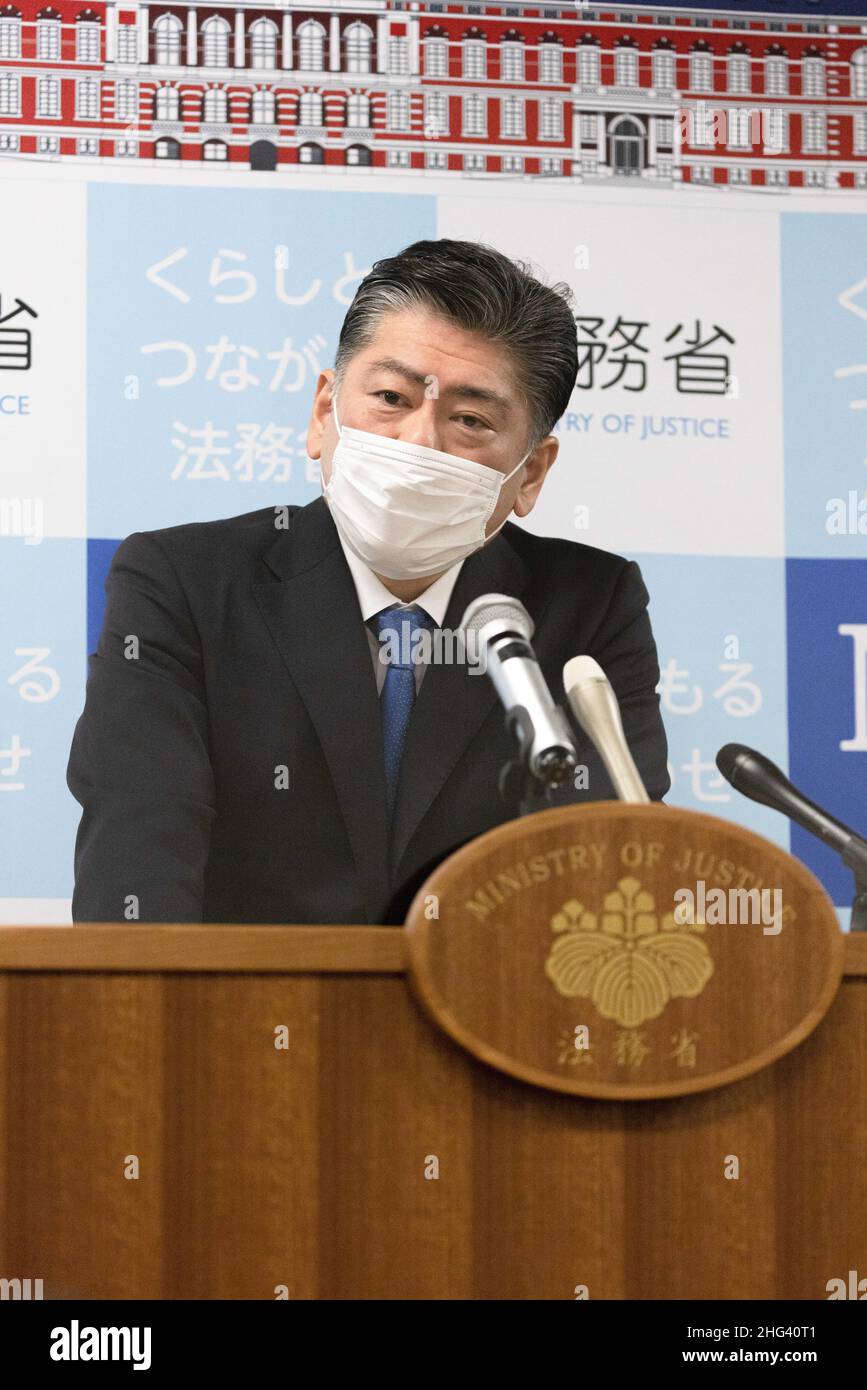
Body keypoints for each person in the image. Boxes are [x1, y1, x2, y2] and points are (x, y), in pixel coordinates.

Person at [66, 238, 669, 925]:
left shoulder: (590, 603)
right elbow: (140, 843)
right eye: (390, 397)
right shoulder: (183, 582)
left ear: (530, 473)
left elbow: (606, 861)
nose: (417, 443)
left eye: (469, 419)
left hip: (488, 1020)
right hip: (239, 1016)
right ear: (324, 412)